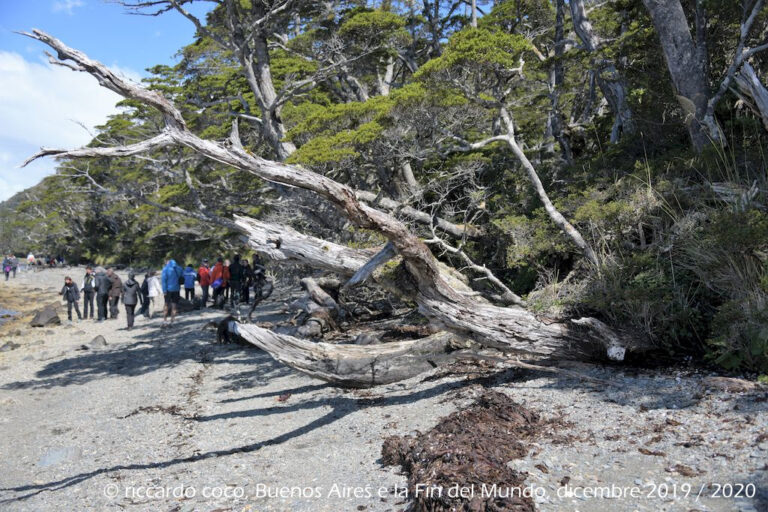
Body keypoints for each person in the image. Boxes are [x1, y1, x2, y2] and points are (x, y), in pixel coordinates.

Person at [161, 258, 183, 326]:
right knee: (174, 305)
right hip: (176, 289)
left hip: (168, 289)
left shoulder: (165, 269)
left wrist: (164, 290)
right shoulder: (179, 268)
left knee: (166, 305)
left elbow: (163, 281)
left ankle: (165, 321)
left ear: (168, 262)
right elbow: (182, 276)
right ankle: (172, 321)